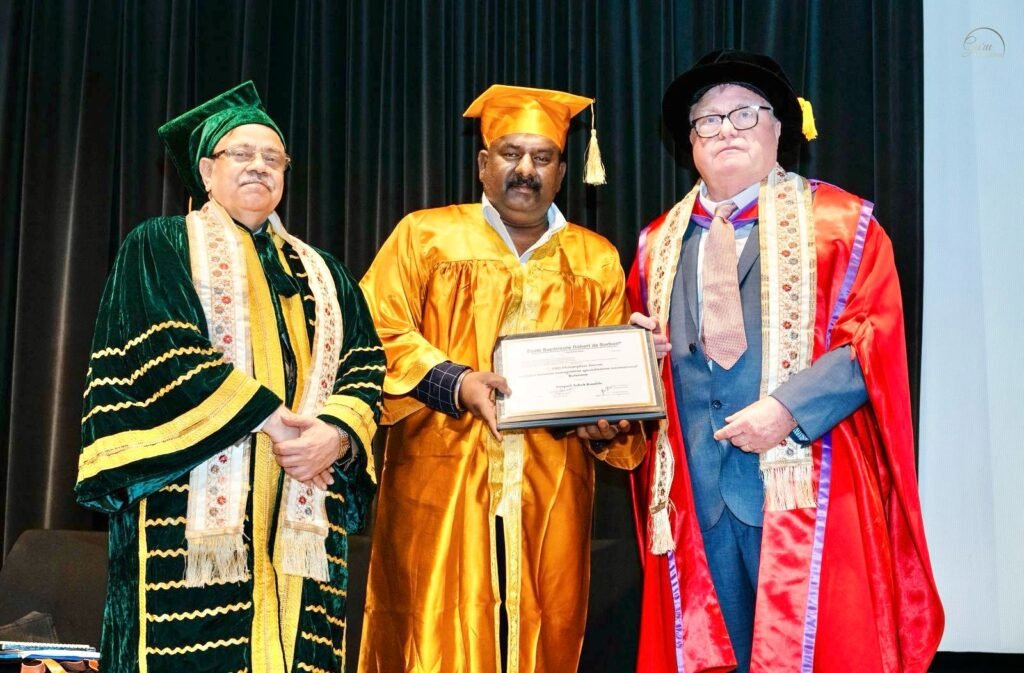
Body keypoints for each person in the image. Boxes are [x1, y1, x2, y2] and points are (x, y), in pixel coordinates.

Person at [627, 50, 944, 673]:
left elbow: (871, 336)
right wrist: (637, 354)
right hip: (695, 494)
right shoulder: (656, 242)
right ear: (690, 142)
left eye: (745, 114)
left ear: (781, 127)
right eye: (707, 120)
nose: (725, 130)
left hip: (808, 483)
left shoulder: (842, 225)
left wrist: (787, 410)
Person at [75, 82, 384, 673]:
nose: (259, 167)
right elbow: (162, 345)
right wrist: (270, 418)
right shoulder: (161, 244)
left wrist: (336, 434)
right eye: (241, 154)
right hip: (188, 507)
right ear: (206, 171)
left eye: (273, 158)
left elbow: (366, 362)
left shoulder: (325, 273)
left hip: (303, 516)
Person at [358, 84, 645, 673]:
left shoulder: (595, 259)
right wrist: (456, 382)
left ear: (561, 171)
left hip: (551, 487)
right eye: (511, 154)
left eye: (543, 157)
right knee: (430, 635)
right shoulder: (425, 236)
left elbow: (611, 380)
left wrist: (607, 424)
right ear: (483, 163)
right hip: (441, 479)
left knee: (543, 632)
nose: (526, 170)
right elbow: (373, 330)